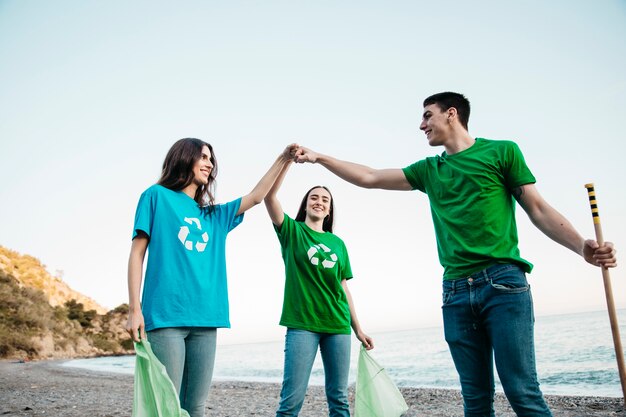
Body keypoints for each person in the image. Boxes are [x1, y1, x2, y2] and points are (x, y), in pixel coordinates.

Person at [294, 92, 618, 416]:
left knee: (522, 391)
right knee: (475, 398)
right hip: (455, 292)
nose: (421, 125)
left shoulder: (502, 152)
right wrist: (320, 157)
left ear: (451, 114)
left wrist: (581, 246)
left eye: (427, 116)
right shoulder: (429, 170)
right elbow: (370, 177)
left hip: (503, 284)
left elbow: (537, 208)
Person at [126, 138, 297, 417]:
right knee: (165, 405)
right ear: (184, 158)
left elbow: (256, 196)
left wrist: (284, 158)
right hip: (166, 316)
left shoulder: (214, 215)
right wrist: (135, 309)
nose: (209, 164)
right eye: (203, 157)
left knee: (195, 407)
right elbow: (137, 254)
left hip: (207, 319)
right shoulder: (155, 196)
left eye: (211, 159)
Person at [264, 159, 374, 417]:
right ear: (305, 204)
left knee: (339, 400)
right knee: (291, 400)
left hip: (337, 324)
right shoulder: (292, 231)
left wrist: (357, 328)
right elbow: (270, 197)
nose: (320, 201)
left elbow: (343, 288)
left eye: (325, 200)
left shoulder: (338, 244)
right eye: (314, 197)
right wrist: (287, 162)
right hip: (302, 324)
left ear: (329, 210)